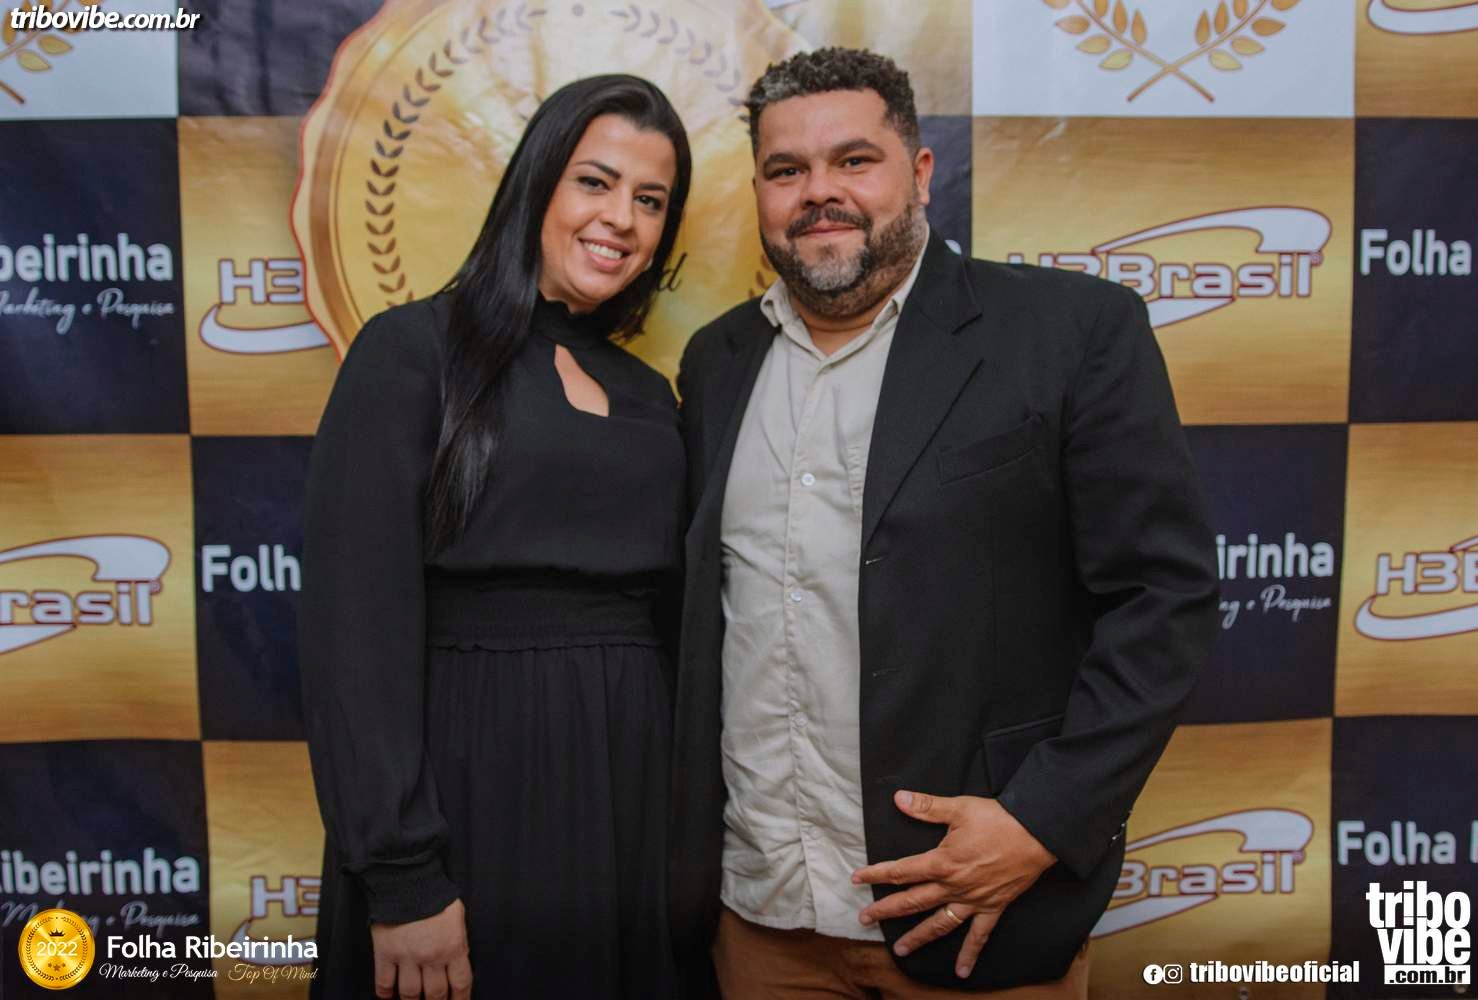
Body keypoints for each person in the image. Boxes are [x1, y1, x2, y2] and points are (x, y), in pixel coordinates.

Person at [670, 48, 1218, 997]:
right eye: (786, 169)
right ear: (758, 191)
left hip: (976, 916)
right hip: (760, 917)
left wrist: (1043, 820)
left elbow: (1164, 599)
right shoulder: (715, 364)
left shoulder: (1071, 332)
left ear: (920, 173)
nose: (819, 191)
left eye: (854, 160)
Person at [299, 74, 690, 1000]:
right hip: (472, 779)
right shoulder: (412, 352)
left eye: (651, 201)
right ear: (536, 185)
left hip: (631, 796)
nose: (622, 219)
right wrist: (403, 875)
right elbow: (353, 629)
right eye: (594, 182)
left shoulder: (651, 393)